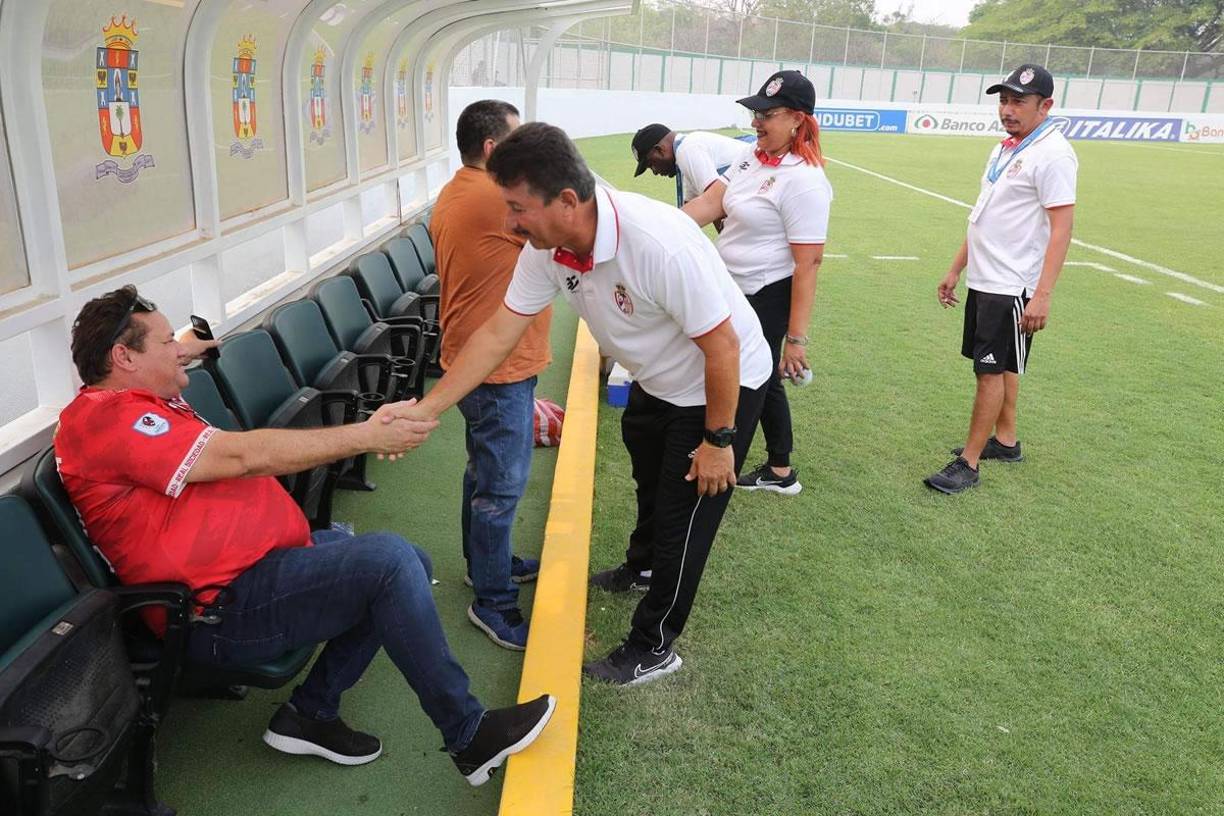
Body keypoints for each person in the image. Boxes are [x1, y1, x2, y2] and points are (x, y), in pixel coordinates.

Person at [54, 286, 556, 786]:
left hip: (260, 569)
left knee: (413, 563)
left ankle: (309, 714)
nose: (176, 350)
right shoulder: (106, 418)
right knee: (388, 562)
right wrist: (367, 433)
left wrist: (190, 342)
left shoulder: (140, 395)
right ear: (123, 357)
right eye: (165, 343)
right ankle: (469, 734)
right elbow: (239, 457)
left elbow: (177, 352)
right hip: (217, 610)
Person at [387, 123, 772, 686]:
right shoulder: (549, 246)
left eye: (518, 209)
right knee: (647, 479)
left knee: (682, 519)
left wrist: (720, 442)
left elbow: (723, 346)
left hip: (719, 384)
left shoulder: (657, 241)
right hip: (657, 379)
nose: (511, 222)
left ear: (568, 201)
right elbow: (498, 334)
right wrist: (426, 409)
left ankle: (654, 644)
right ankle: (640, 569)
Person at [430, 99, 551, 651]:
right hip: (496, 368)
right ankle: (493, 602)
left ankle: (486, 568)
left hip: (478, 361)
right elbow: (560, 230)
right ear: (491, 149)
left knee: (482, 475)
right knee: (499, 488)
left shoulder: (459, 188)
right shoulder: (491, 197)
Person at [926, 64, 1077, 494]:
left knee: (988, 372)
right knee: (1003, 363)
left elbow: (1062, 228)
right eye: (1003, 100)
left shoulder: (1053, 154)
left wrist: (1042, 295)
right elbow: (983, 214)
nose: (1007, 110)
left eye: (1018, 102)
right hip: (985, 277)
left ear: (1045, 105)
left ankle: (968, 464)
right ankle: (1006, 441)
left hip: (1013, 283)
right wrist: (957, 267)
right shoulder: (1006, 147)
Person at [682, 70, 833, 497]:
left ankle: (724, 463)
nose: (756, 122)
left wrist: (797, 340)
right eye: (756, 112)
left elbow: (809, 264)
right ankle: (780, 469)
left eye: (767, 113)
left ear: (798, 120)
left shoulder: (805, 181)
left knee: (750, 382)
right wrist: (665, 225)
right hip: (732, 290)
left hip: (766, 295)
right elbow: (714, 201)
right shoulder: (752, 156)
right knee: (760, 379)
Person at [630, 123, 754, 214]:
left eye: (651, 164)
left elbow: (714, 204)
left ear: (660, 150)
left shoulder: (688, 150)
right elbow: (689, 214)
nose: (655, 172)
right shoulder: (685, 152)